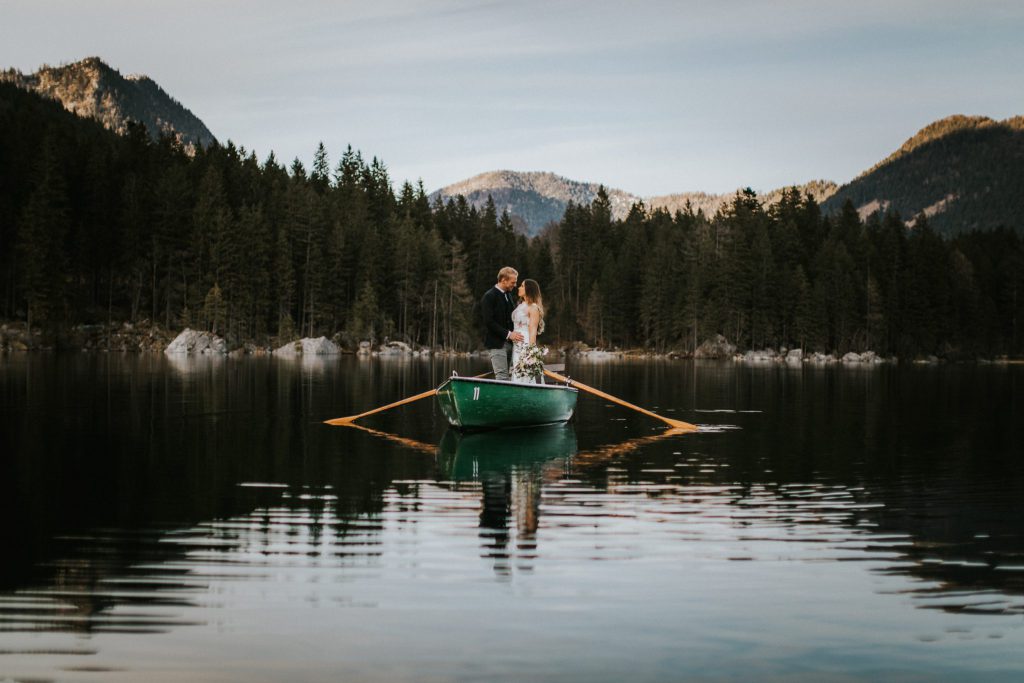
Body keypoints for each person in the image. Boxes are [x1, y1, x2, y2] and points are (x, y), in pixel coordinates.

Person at [480, 267, 523, 380]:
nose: (515, 285)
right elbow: (489, 322)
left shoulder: (508, 295)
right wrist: (509, 334)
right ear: (503, 280)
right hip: (497, 344)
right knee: (502, 377)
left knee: (511, 376)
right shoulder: (489, 296)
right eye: (513, 282)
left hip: (511, 344)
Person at [510, 279, 545, 384]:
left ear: (528, 289)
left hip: (525, 344)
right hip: (516, 344)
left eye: (522, 286)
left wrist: (530, 353)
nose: (519, 287)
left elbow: (533, 331)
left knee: (524, 371)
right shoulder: (521, 305)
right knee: (517, 370)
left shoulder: (533, 308)